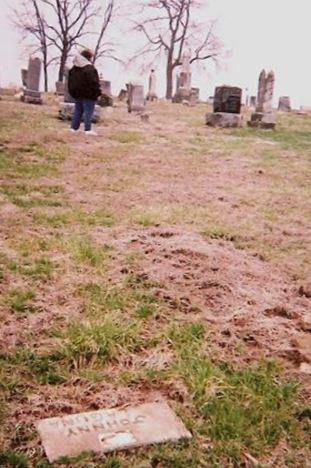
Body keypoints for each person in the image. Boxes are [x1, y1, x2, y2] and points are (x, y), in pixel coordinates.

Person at [68, 49, 101, 136]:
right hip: (89, 94)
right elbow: (94, 83)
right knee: (88, 111)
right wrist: (97, 93)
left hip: (77, 93)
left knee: (78, 111)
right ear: (89, 57)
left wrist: (72, 92)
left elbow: (70, 81)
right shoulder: (89, 68)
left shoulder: (73, 68)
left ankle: (73, 128)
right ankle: (88, 130)